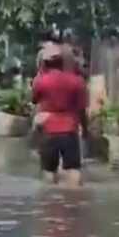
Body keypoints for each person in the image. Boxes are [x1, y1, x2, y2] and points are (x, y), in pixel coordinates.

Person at [33, 42, 88, 186]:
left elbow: (34, 99)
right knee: (73, 169)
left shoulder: (40, 81)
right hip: (69, 129)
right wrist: (85, 129)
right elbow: (82, 109)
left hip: (48, 130)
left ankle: (49, 199)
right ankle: (75, 198)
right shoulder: (77, 81)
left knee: (49, 170)